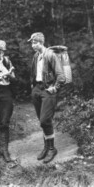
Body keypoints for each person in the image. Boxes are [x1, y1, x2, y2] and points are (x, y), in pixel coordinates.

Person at [28, 32, 65, 163]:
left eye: (34, 42)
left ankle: (52, 149)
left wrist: (55, 88)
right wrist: (33, 88)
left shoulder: (51, 55)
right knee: (42, 122)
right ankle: (46, 146)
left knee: (45, 120)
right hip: (37, 89)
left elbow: (61, 75)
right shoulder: (36, 56)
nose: (32, 45)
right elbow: (34, 73)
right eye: (32, 43)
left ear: (41, 43)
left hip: (48, 90)